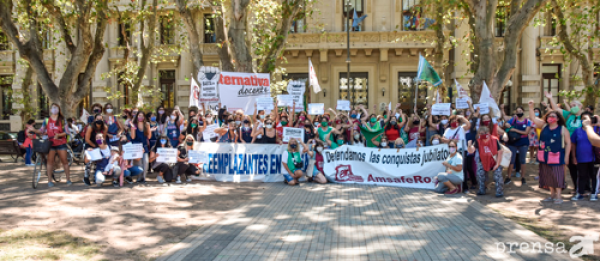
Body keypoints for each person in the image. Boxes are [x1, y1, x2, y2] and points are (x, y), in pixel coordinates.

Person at [528, 100, 570, 204]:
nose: (551, 118)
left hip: (558, 156)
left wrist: (567, 157)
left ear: (558, 119)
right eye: (549, 116)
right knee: (547, 176)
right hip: (544, 156)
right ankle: (552, 195)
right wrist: (531, 107)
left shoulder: (562, 129)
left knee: (558, 176)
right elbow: (533, 118)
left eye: (553, 116)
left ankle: (559, 196)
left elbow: (568, 143)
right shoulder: (543, 126)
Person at [545, 91, 582, 195]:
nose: (573, 107)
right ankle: (576, 187)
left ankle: (585, 188)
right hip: (569, 145)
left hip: (581, 146)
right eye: (571, 106)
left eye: (574, 105)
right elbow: (556, 109)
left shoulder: (584, 116)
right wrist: (550, 98)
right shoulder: (569, 114)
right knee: (572, 167)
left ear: (580, 106)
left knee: (583, 167)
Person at [38, 103, 73, 187]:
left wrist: (59, 135)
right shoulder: (46, 119)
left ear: (59, 109)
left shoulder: (62, 119)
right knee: (50, 162)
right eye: (53, 107)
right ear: (50, 110)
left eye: (56, 107)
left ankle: (68, 179)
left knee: (64, 160)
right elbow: (42, 129)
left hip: (61, 142)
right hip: (50, 143)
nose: (54, 109)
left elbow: (67, 132)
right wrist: (35, 131)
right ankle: (49, 180)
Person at [468, 127, 504, 197]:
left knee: (498, 176)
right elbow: (471, 151)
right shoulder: (478, 141)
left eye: (485, 133)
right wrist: (469, 145)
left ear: (488, 133)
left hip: (495, 160)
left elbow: (500, 151)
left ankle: (499, 191)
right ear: (479, 134)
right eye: (481, 133)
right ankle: (482, 189)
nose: (484, 134)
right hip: (483, 161)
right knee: (479, 173)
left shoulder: (494, 139)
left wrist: (497, 164)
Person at [570, 111, 598, 201]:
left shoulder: (596, 130)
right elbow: (573, 144)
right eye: (583, 118)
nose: (585, 120)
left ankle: (594, 194)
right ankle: (580, 193)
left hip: (594, 158)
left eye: (587, 118)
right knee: (581, 176)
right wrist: (573, 156)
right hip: (581, 158)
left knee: (594, 176)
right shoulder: (577, 131)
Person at [503, 106, 531, 185]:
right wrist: (508, 124)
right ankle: (508, 177)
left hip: (523, 142)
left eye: (520, 110)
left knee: (522, 160)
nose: (519, 112)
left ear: (523, 111)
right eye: (517, 111)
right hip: (513, 142)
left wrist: (514, 129)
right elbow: (507, 124)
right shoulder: (513, 119)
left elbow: (526, 132)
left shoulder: (527, 121)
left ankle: (523, 178)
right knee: (511, 160)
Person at [129, 110, 151, 183]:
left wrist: (149, 128)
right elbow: (132, 137)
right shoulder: (134, 124)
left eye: (142, 116)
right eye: (139, 115)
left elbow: (149, 136)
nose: (140, 117)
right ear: (137, 116)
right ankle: (139, 178)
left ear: (144, 117)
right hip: (136, 146)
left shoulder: (146, 124)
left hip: (144, 146)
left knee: (146, 162)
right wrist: (132, 128)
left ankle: (144, 177)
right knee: (139, 163)